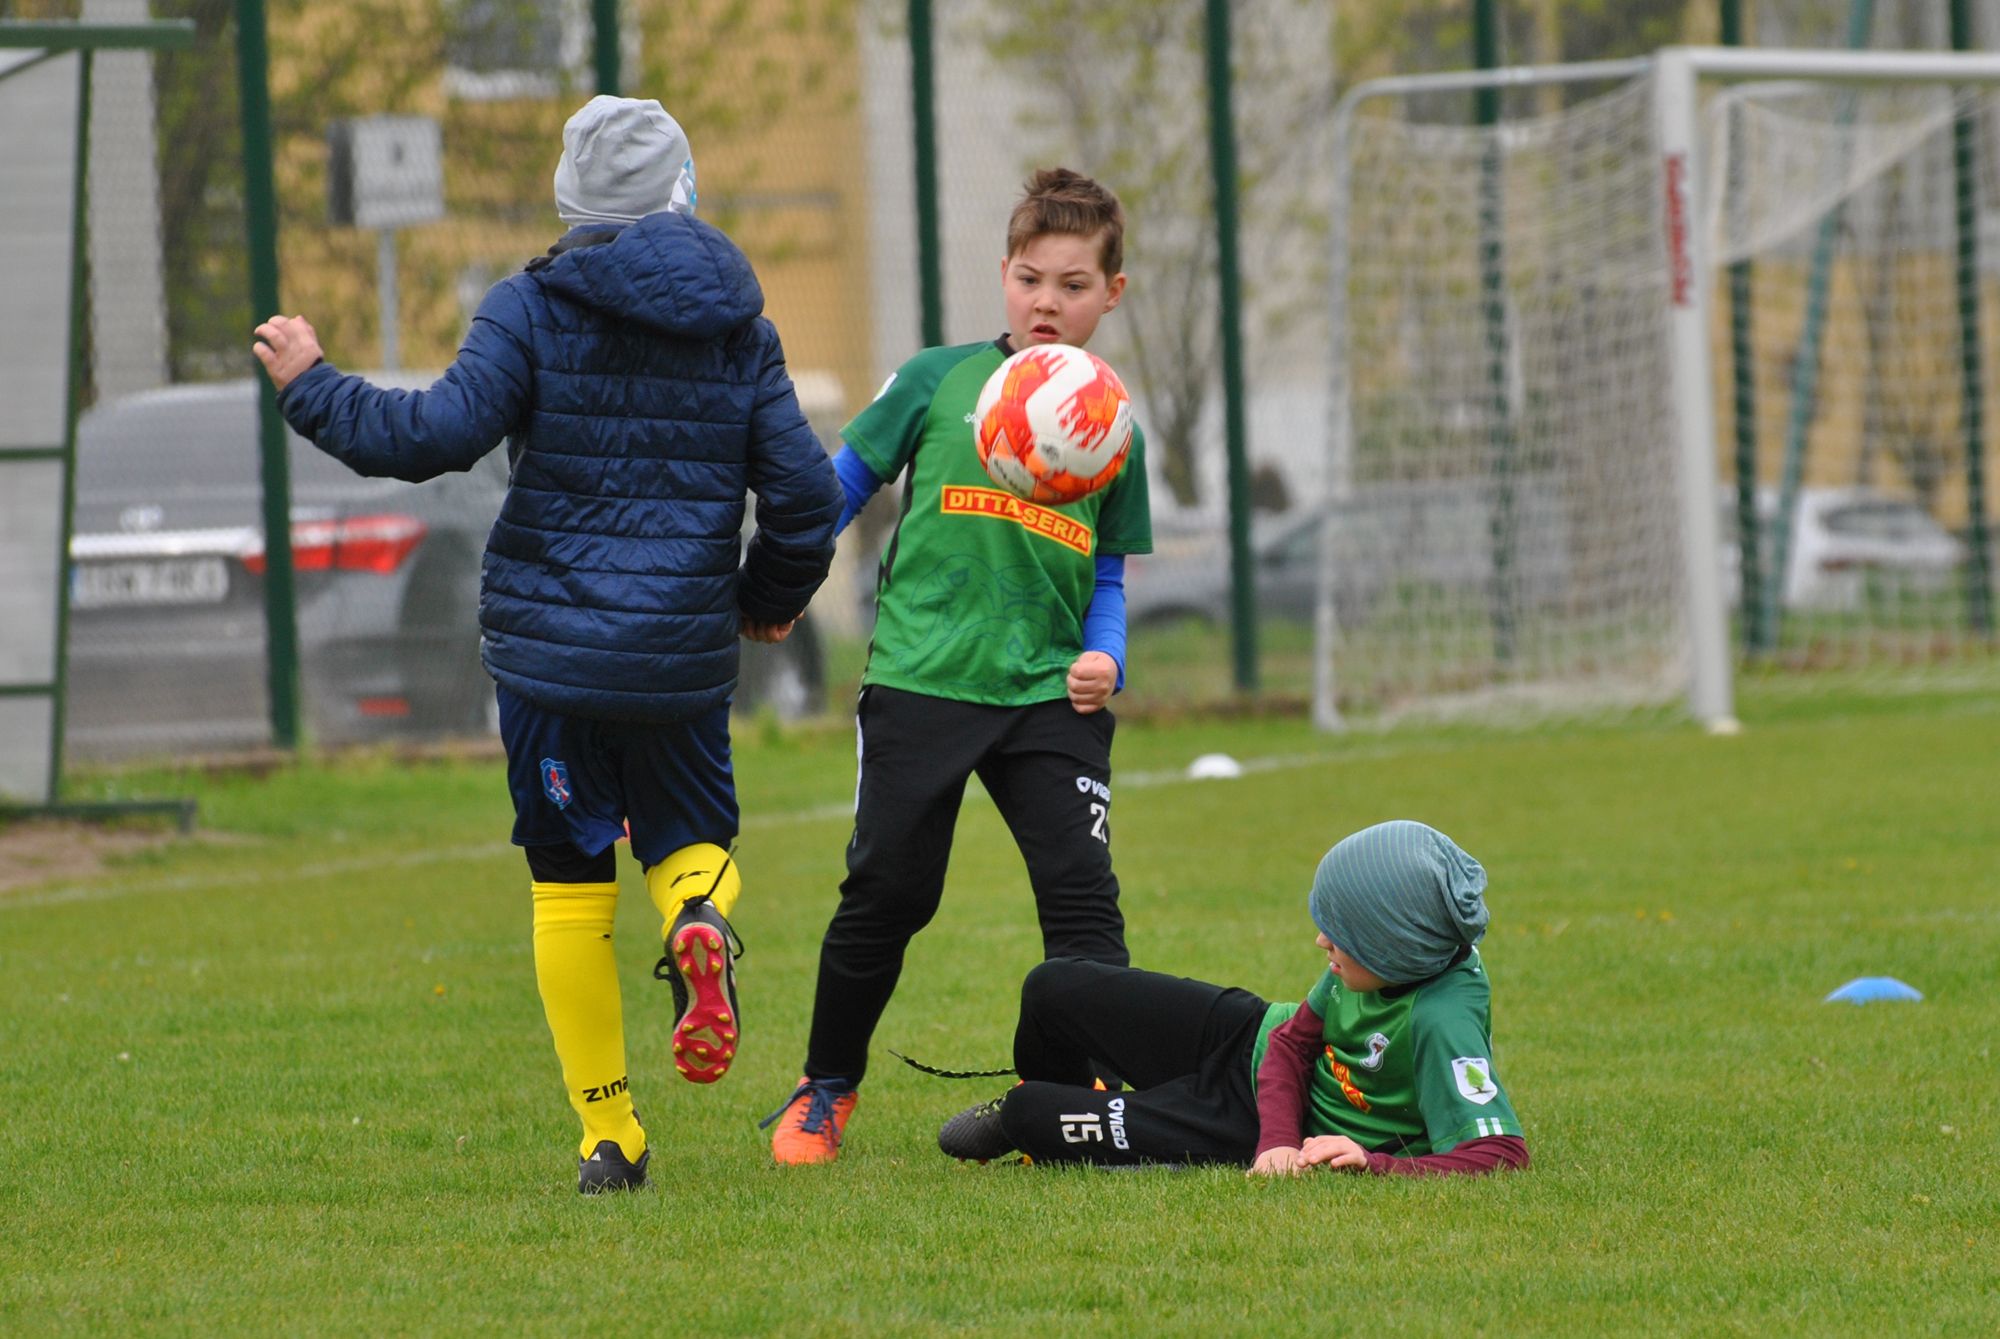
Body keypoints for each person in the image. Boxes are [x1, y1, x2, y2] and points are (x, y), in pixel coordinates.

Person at [251, 96, 841, 1194]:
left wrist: (312, 383)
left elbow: (430, 436)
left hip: (549, 654)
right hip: (676, 655)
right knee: (686, 840)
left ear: (571, 204)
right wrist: (764, 600)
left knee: (568, 887)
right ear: (682, 194)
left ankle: (609, 1139)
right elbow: (804, 494)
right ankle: (699, 917)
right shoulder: (740, 324)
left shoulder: (528, 304)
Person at [762, 168, 1152, 1164]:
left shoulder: (1108, 423)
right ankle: (825, 1087)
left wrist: (1105, 651)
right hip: (922, 679)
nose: (1046, 303)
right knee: (889, 890)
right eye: (1030, 279)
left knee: (1078, 893)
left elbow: (1105, 571)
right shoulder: (936, 379)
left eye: (1072, 284)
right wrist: (778, 585)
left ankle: (1070, 1093)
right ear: (1004, 276)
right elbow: (836, 489)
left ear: (1112, 291)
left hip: (1049, 694)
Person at [934, 820, 1530, 1175]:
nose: (1322, 940)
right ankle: (1081, 1102)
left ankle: (1047, 1119)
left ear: (1394, 945)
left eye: (1340, 935)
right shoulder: (1374, 965)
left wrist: (1371, 1162)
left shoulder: (1440, 1017)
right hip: (1245, 1034)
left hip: (1233, 1118)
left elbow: (1501, 1153)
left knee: (1026, 1114)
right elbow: (1292, 1045)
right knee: (1051, 987)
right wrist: (1279, 1142)